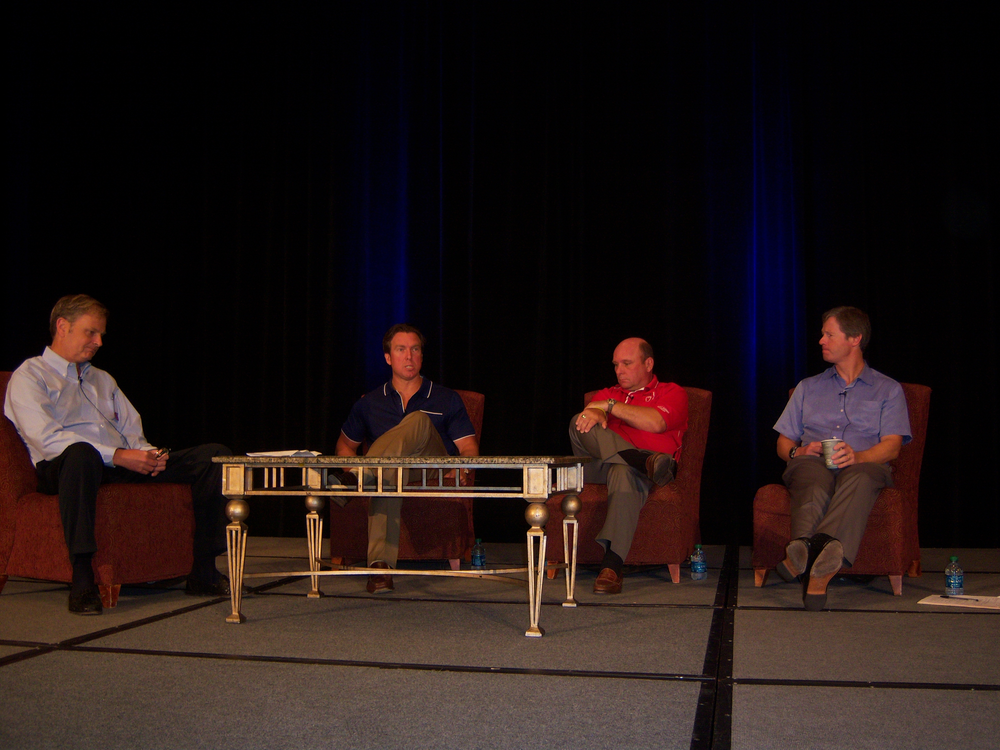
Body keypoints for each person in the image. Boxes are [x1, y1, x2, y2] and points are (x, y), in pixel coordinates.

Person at [4, 295, 232, 615]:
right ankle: (82, 579)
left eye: (101, 335)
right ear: (62, 326)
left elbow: (132, 431)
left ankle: (204, 571)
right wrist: (118, 455)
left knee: (214, 457)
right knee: (81, 453)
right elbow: (47, 438)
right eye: (91, 333)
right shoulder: (31, 376)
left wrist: (149, 455)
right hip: (64, 467)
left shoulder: (102, 379)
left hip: (117, 462)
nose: (98, 342)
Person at [773, 306, 911, 611]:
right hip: (813, 462)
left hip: (865, 465)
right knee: (809, 475)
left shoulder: (887, 390)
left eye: (828, 334)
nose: (821, 340)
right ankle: (820, 567)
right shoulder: (808, 388)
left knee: (861, 476)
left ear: (854, 339)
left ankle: (807, 554)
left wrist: (857, 455)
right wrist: (798, 451)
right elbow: (783, 442)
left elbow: (892, 447)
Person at [335, 324, 479, 593]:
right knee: (388, 473)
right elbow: (344, 446)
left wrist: (462, 467)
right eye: (401, 350)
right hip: (394, 471)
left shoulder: (446, 398)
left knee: (419, 420)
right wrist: (350, 464)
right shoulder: (369, 402)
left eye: (415, 350)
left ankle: (360, 477)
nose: (409, 357)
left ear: (422, 356)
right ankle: (380, 568)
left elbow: (469, 447)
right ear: (388, 357)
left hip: (431, 466)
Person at [569, 337, 688, 594]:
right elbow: (589, 419)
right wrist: (597, 410)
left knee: (623, 472)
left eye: (626, 363)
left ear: (648, 363)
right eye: (615, 365)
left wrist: (610, 407)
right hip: (603, 467)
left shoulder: (673, 393)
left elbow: (656, 423)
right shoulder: (608, 392)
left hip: (644, 473)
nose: (618, 370)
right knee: (577, 422)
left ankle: (611, 567)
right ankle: (642, 461)